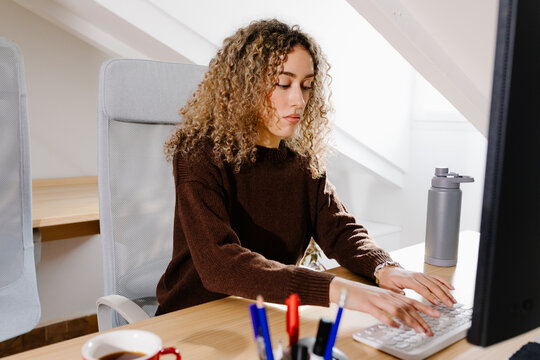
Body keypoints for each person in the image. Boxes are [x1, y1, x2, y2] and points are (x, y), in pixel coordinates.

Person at [156, 19, 455, 336]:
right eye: (284, 84)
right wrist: (338, 290)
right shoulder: (200, 153)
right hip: (194, 319)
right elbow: (220, 264)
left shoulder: (301, 158)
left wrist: (384, 268)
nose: (299, 100)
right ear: (244, 87)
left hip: (265, 314)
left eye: (307, 85)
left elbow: (339, 229)